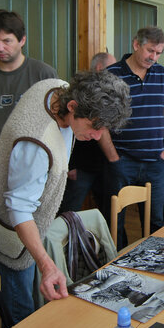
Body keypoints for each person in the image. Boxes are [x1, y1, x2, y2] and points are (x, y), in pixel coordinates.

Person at [0, 71, 130, 325]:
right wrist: (47, 264)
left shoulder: (59, 88)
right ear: (72, 107)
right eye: (94, 126)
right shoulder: (36, 144)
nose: (97, 136)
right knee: (21, 318)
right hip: (11, 238)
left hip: (27, 227)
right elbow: (18, 209)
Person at [101, 26, 164, 248]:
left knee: (155, 221)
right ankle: (117, 265)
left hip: (155, 161)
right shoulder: (112, 74)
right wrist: (113, 157)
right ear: (136, 45)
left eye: (158, 52)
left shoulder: (161, 74)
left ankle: (152, 263)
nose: (153, 57)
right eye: (150, 50)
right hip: (122, 161)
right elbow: (100, 121)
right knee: (116, 221)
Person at [0, 9, 57, 174]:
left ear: (22, 40)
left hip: (34, 168)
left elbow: (56, 124)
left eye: (7, 41)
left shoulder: (44, 74)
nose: (0, 48)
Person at [58, 52, 117, 215]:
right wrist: (70, 166)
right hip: (80, 168)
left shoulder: (110, 97)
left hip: (102, 165)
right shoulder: (78, 96)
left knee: (109, 211)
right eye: (112, 68)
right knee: (70, 211)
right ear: (99, 67)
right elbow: (67, 133)